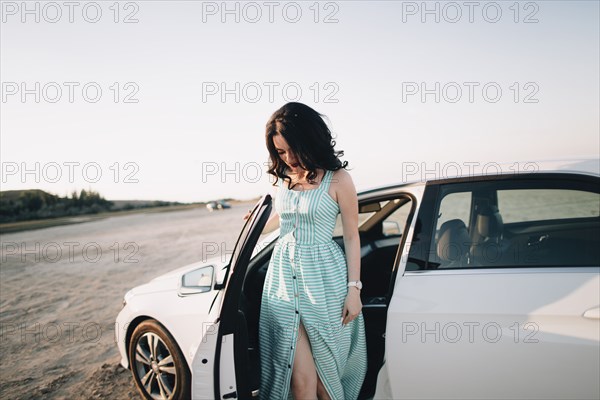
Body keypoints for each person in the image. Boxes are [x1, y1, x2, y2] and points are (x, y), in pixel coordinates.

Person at [247, 102, 367, 400]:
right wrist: (256, 224)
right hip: (283, 284)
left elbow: (352, 236)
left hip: (325, 284)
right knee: (299, 382)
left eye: (291, 150)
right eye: (280, 152)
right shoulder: (285, 178)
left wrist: (354, 290)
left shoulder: (339, 180)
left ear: (309, 141)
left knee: (326, 383)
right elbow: (284, 219)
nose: (288, 158)